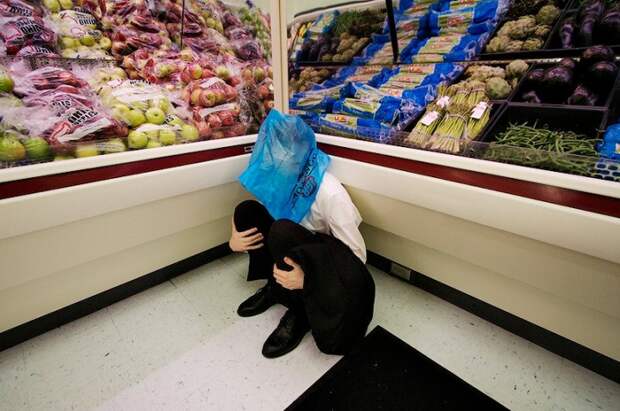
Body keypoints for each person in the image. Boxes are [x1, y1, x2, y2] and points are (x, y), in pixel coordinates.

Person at [229, 110, 375, 359]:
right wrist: (234, 237)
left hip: (322, 257)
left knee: (282, 230)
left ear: (298, 160)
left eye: (279, 161)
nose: (272, 166)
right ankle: (276, 287)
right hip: (291, 243)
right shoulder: (282, 178)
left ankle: (300, 311)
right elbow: (262, 210)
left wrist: (311, 279)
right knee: (246, 211)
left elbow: (355, 259)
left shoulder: (330, 194)